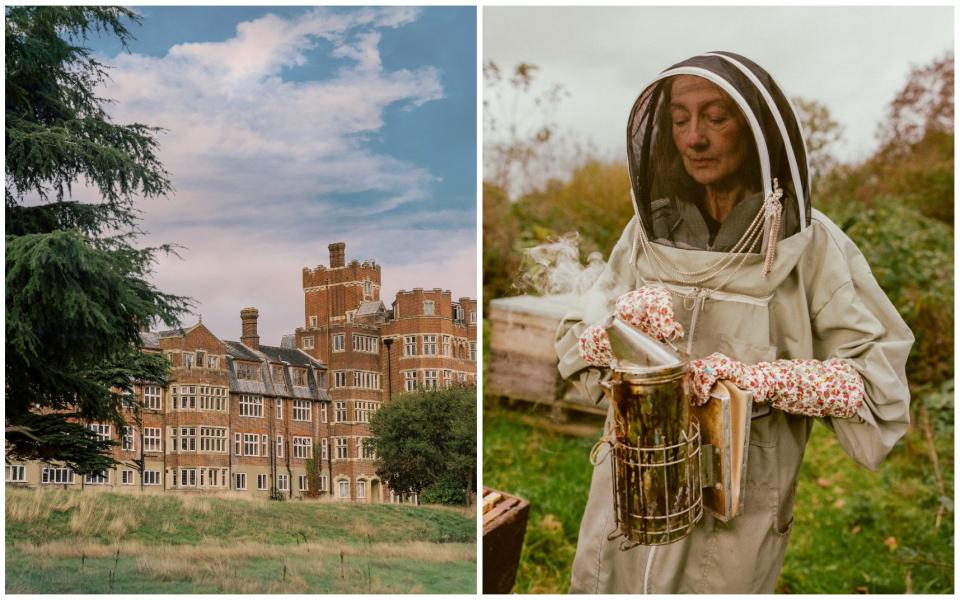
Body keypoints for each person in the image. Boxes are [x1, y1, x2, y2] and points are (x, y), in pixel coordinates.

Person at [555, 52, 913, 594]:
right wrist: (616, 329)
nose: (693, 137)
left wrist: (761, 380)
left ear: (755, 131)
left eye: (715, 117)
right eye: (679, 120)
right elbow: (576, 354)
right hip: (630, 485)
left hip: (738, 502)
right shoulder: (647, 231)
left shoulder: (814, 248)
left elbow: (875, 385)